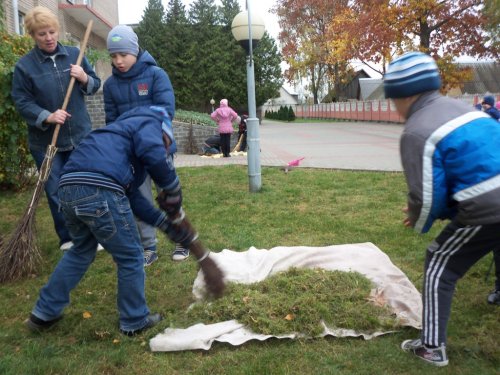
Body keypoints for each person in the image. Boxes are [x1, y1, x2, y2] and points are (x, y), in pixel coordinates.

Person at [25, 106, 197, 336]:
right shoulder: (149, 122)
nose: (164, 150)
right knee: (131, 254)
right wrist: (172, 188)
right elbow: (154, 154)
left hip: (67, 189)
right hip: (100, 188)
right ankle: (134, 319)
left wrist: (165, 225)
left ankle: (44, 313)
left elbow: (134, 198)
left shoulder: (115, 138)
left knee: (80, 251)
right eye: (165, 144)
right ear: (163, 132)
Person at [383, 51, 500, 367]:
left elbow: (426, 194)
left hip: (489, 206)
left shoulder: (417, 130)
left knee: (439, 262)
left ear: (406, 94)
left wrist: (419, 218)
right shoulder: (464, 108)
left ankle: (432, 347)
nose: (393, 107)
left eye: (393, 99)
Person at [11, 6, 101, 252]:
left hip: (79, 136)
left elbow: (95, 86)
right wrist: (47, 116)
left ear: (58, 30)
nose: (49, 37)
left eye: (52, 31)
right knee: (56, 191)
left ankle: (92, 232)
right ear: (32, 35)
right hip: (46, 143)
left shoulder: (75, 54)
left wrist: (84, 77)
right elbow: (22, 102)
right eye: (42, 34)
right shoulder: (25, 67)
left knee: (84, 185)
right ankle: (68, 237)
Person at [103, 25, 189, 264]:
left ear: (135, 50)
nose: (118, 61)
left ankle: (182, 240)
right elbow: (112, 121)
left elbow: (165, 111)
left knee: (169, 198)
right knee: (139, 201)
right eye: (113, 56)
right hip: (132, 157)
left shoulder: (155, 75)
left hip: (158, 150)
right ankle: (148, 246)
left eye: (123, 54)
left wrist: (150, 140)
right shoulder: (110, 86)